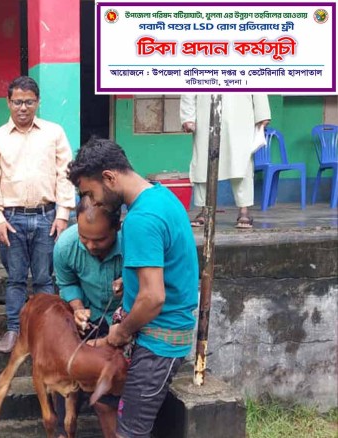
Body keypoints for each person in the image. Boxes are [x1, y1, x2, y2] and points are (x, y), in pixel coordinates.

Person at [68, 137, 199, 438]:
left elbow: (153, 298)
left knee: (130, 432)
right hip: (161, 335)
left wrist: (121, 332)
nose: (94, 203)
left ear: (110, 178)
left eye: (91, 193)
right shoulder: (159, 195)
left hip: (157, 344)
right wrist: (127, 282)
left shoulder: (141, 219)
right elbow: (164, 267)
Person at [0, 76, 75, 354]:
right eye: (18, 102)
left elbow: (65, 175)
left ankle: (46, 331)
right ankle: (14, 329)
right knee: (16, 279)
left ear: (38, 102)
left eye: (29, 102)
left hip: (47, 216)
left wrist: (63, 214)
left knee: (46, 278)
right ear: (8, 103)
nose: (23, 107)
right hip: (12, 219)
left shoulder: (54, 133)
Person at [52, 196, 124, 437]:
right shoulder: (65, 246)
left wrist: (130, 282)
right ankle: (64, 429)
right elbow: (67, 282)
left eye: (100, 239)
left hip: (126, 319)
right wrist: (77, 308)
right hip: (89, 313)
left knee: (109, 394)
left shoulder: (134, 244)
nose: (91, 246)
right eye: (85, 239)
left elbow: (151, 282)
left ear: (117, 226)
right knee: (64, 368)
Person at [180, 94, 270, 229]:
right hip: (206, 114)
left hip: (240, 116)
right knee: (203, 162)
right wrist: (188, 117)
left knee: (240, 163)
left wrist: (262, 114)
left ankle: (243, 210)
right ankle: (205, 210)